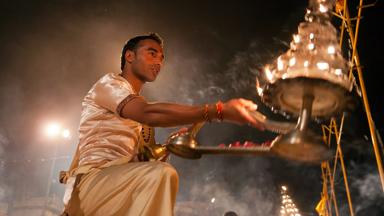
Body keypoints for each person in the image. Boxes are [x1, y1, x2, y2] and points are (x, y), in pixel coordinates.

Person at [60, 33, 263, 216]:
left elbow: (140, 163)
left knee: (159, 173)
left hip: (117, 184)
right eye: (152, 53)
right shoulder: (109, 85)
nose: (158, 62)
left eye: (161, 58)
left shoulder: (141, 121)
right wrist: (218, 111)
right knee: (162, 174)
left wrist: (167, 148)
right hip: (91, 185)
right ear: (129, 56)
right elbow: (148, 113)